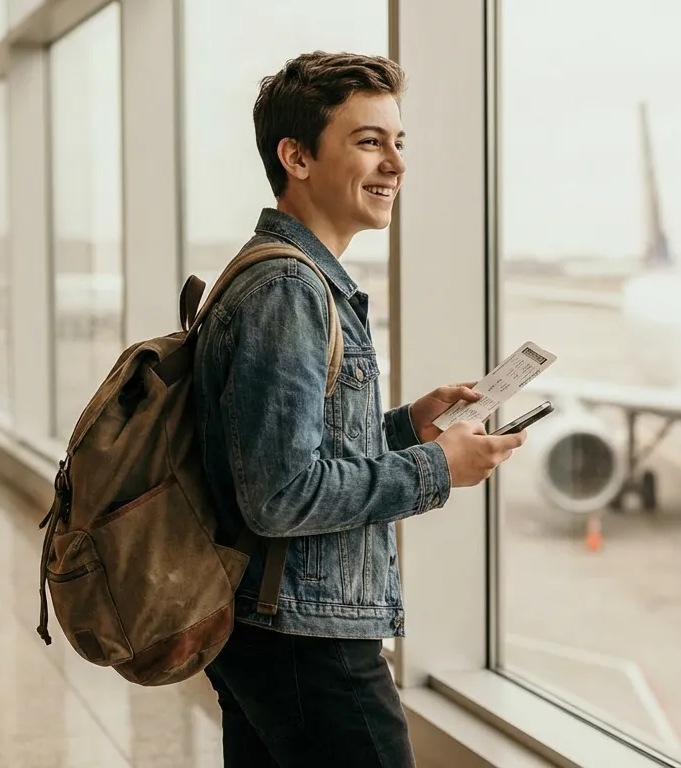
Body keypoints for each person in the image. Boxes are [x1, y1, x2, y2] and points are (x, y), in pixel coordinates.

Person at [193, 51, 526, 767]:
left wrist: (408, 426)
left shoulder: (281, 273)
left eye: (398, 142)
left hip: (262, 624)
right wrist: (436, 468)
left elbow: (278, 449)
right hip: (304, 640)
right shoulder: (290, 288)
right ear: (297, 157)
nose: (395, 165)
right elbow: (280, 495)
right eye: (369, 141)